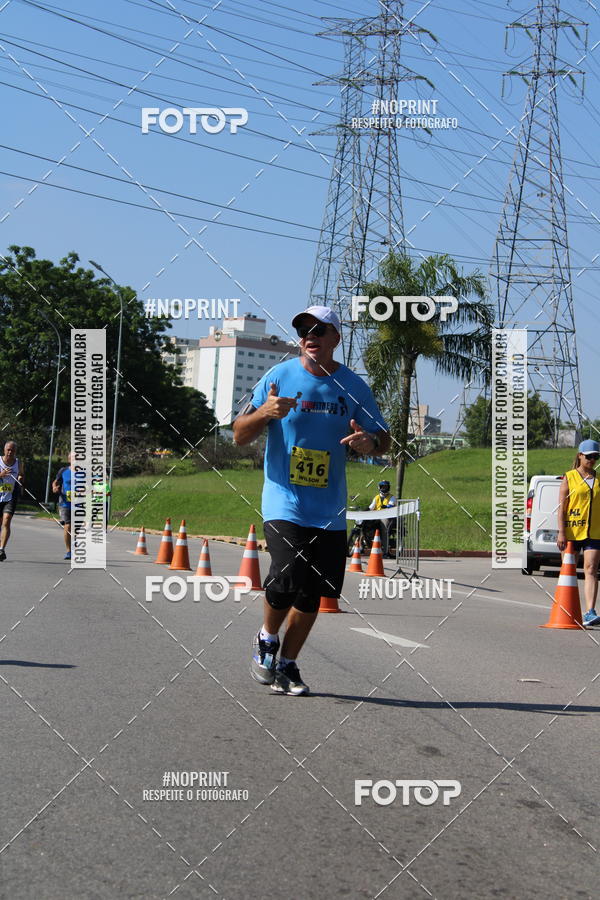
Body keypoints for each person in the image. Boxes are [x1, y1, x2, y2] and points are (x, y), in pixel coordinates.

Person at [233, 305, 390, 695]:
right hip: (283, 499)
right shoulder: (278, 376)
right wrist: (265, 412)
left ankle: (287, 664)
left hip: (330, 508)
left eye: (320, 330)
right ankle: (267, 639)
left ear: (336, 338)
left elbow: (384, 437)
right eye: (304, 330)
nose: (310, 336)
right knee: (287, 575)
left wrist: (370, 442)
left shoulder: (354, 386)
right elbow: (238, 434)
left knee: (312, 593)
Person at [557, 439, 600, 626]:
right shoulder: (570, 477)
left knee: (591, 569)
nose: (592, 460)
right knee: (569, 572)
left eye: (595, 457)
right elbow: (562, 508)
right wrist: (561, 532)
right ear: (580, 456)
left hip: (595, 532)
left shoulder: (598, 479)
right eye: (589, 456)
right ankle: (566, 607)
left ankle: (590, 611)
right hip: (572, 533)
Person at [0, 440, 25, 561]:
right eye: (8, 450)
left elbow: (21, 474)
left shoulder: (18, 462)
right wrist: (1, 474)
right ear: (4, 450)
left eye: (13, 450)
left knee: (7, 520)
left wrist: (20, 478)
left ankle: (2, 549)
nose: (10, 452)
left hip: (11, 495)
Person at [52, 452, 73, 560]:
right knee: (68, 525)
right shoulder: (63, 471)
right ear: (69, 460)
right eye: (73, 458)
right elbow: (55, 482)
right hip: (65, 502)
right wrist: (55, 488)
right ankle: (69, 551)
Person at [368, 479, 396, 557]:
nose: (384, 488)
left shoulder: (392, 497)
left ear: (388, 488)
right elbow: (371, 507)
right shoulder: (376, 497)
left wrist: (387, 506)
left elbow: (391, 504)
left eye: (386, 487)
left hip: (386, 516)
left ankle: (386, 552)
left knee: (384, 530)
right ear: (379, 488)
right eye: (382, 487)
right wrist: (366, 510)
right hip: (376, 516)